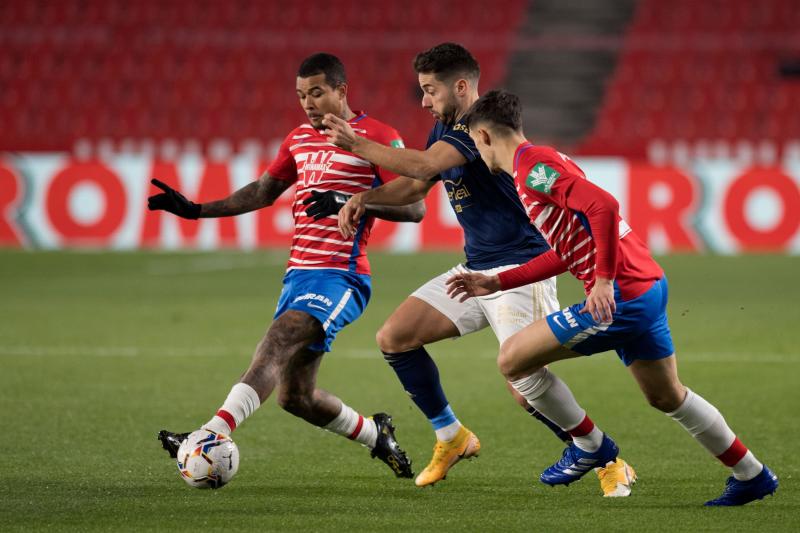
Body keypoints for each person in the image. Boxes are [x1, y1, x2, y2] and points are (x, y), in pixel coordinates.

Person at [320, 43, 636, 495]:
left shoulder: (477, 130)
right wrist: (365, 199)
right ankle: (452, 436)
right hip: (477, 269)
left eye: (431, 90)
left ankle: (608, 459)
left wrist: (359, 144)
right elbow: (415, 184)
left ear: (462, 87)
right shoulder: (442, 129)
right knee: (396, 337)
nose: (425, 101)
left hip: (521, 266)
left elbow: (427, 164)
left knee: (522, 382)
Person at [445, 89, 779, 506]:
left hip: (622, 294)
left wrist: (602, 280)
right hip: (648, 285)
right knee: (667, 395)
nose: (479, 153)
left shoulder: (533, 170)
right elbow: (568, 249)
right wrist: (500, 282)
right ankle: (751, 475)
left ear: (484, 135)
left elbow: (603, 205)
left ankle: (590, 447)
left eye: (476, 144)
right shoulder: (546, 161)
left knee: (511, 359)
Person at [150, 53, 426, 480]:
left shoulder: (376, 135)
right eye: (301, 95)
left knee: (278, 340)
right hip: (297, 274)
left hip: (342, 275)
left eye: (316, 92)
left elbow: (415, 209)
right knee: (295, 397)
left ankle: (209, 434)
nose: (308, 103)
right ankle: (378, 436)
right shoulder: (298, 138)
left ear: (341, 90)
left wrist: (350, 202)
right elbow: (263, 191)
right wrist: (197, 210)